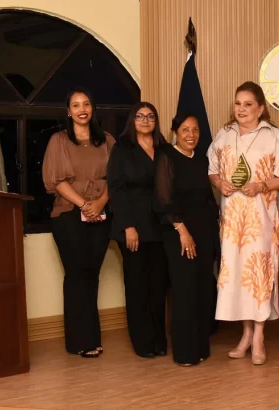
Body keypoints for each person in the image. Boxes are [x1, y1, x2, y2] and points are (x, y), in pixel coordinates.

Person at [207, 81, 279, 365]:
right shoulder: (224, 134)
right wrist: (219, 182)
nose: (241, 109)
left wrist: (263, 185)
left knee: (258, 274)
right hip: (232, 220)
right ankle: (244, 334)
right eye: (237, 103)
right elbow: (212, 170)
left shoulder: (274, 136)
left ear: (261, 108)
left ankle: (259, 336)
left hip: (261, 220)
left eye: (247, 104)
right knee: (236, 276)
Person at [42, 87, 115, 358]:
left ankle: (92, 337)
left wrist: (100, 203)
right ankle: (79, 341)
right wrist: (85, 204)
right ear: (68, 112)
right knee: (76, 275)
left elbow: (115, 177)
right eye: (76, 105)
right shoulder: (59, 140)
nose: (82, 109)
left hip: (101, 213)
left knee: (92, 275)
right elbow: (56, 181)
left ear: (92, 108)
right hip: (69, 215)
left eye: (86, 104)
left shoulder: (107, 140)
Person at [155, 112, 220, 367]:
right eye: (185, 130)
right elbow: (163, 199)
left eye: (195, 130)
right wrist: (183, 232)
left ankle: (201, 346)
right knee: (183, 291)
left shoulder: (202, 161)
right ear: (175, 132)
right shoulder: (166, 157)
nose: (190, 135)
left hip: (204, 233)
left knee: (203, 288)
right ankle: (184, 352)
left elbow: (207, 199)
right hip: (180, 234)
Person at [107, 102, 168, 359]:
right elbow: (116, 189)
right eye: (140, 116)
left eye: (150, 116)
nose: (145, 120)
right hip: (133, 227)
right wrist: (128, 225)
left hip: (161, 227)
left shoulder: (163, 149)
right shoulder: (123, 149)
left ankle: (158, 340)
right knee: (137, 286)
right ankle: (142, 342)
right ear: (132, 120)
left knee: (158, 286)